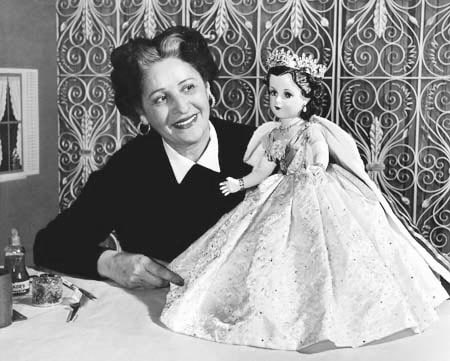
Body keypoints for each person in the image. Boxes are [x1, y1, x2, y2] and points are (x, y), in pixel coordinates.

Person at [160, 49, 450, 351]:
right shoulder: (272, 134)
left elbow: (320, 157)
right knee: (263, 247)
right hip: (279, 191)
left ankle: (326, 316)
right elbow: (263, 169)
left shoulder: (311, 130)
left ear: (306, 98)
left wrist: (314, 169)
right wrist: (239, 183)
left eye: (288, 94)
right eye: (273, 92)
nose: (277, 101)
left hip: (314, 189)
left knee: (324, 248)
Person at [33, 26, 254, 289]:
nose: (182, 108)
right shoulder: (127, 170)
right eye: (161, 99)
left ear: (207, 88)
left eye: (188, 88)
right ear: (142, 113)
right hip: (156, 319)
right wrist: (111, 262)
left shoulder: (260, 147)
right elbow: (49, 245)